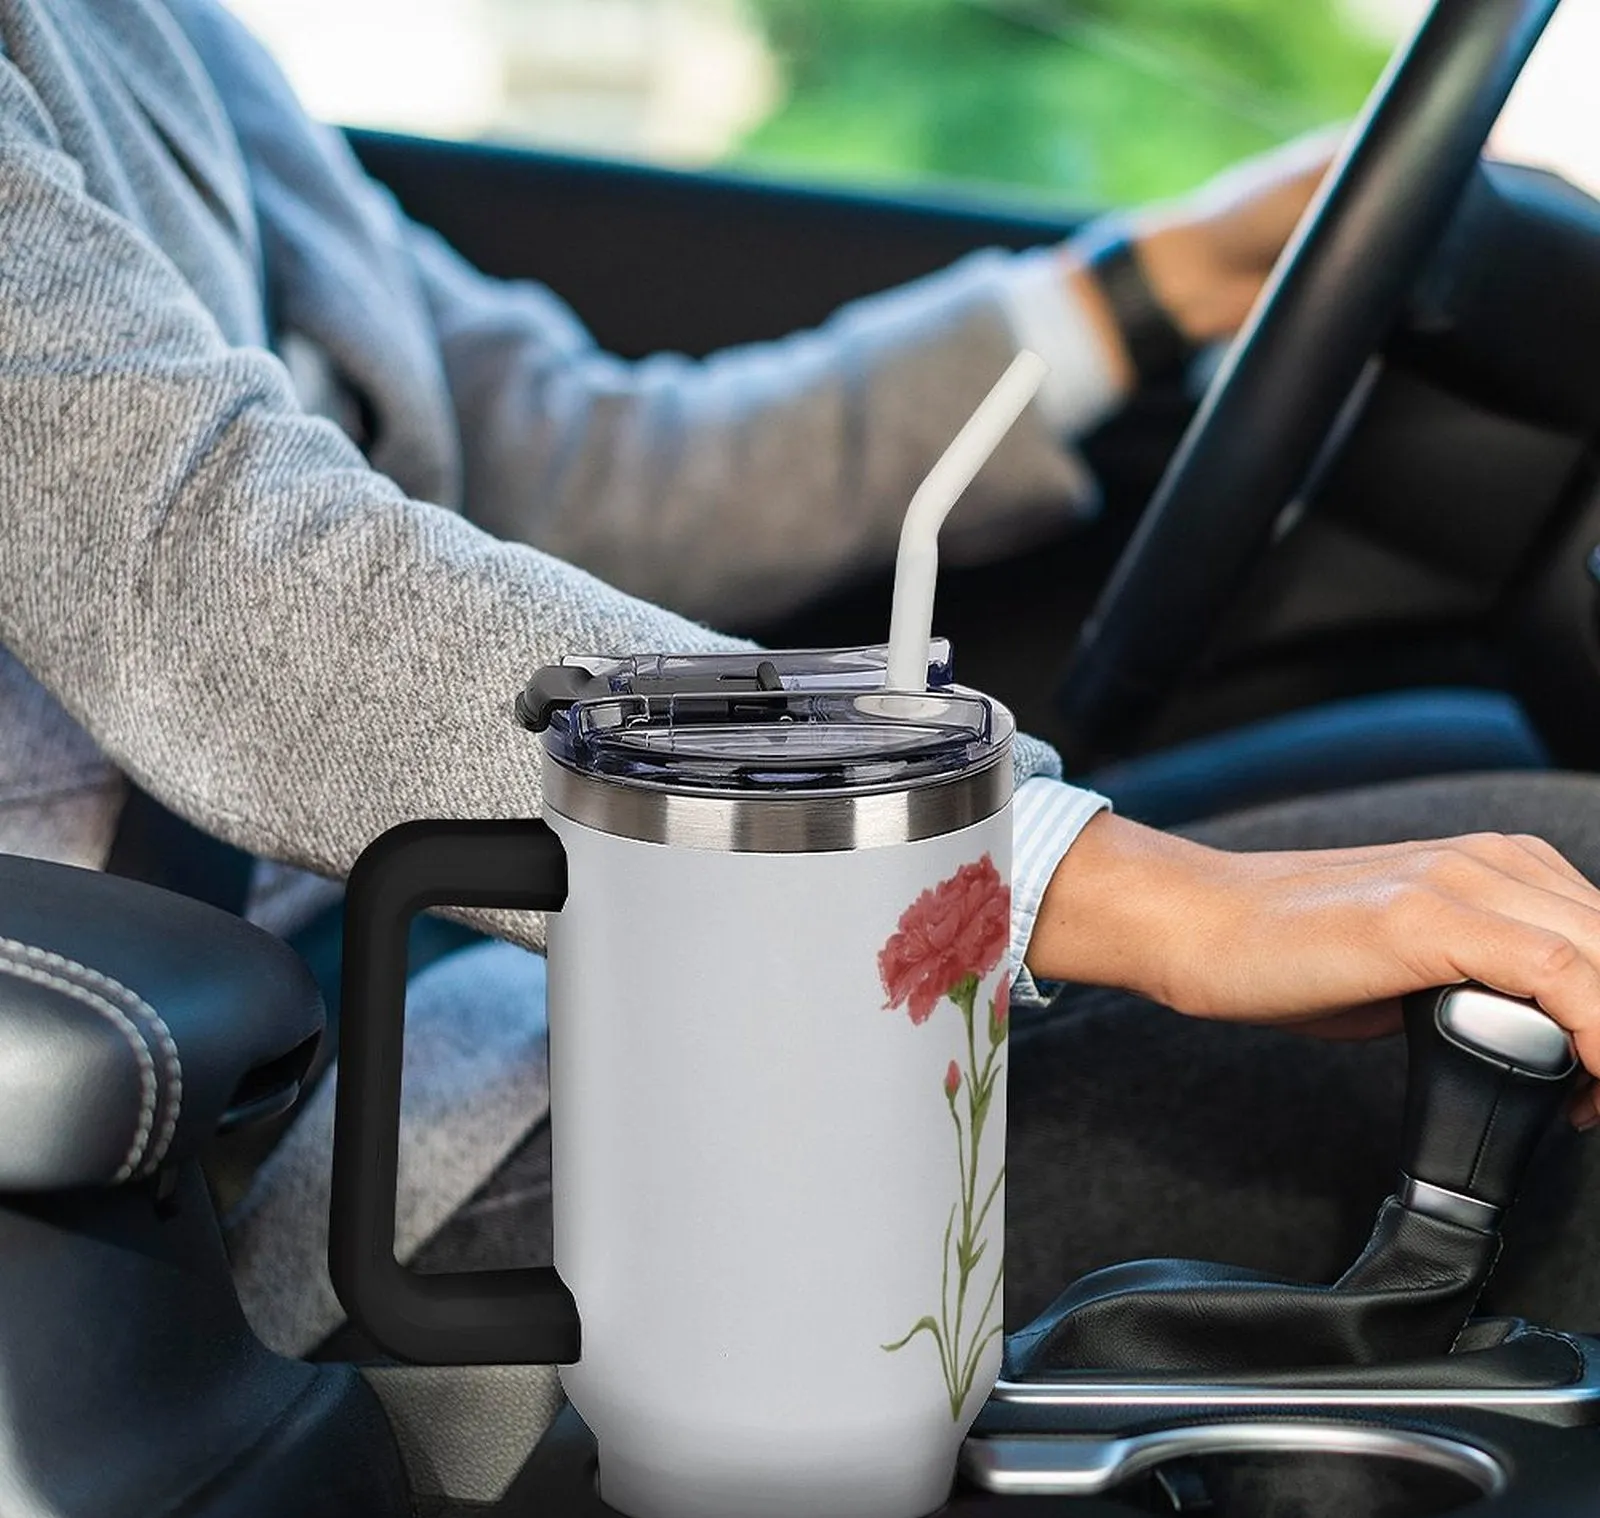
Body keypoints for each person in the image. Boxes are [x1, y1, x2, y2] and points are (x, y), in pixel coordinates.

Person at [5, 0, 1600, 1357]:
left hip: (472, 989)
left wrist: (1142, 288)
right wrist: (1090, 890)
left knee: (1474, 796)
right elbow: (219, 580)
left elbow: (559, 459)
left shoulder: (149, 27)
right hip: (268, 1175)